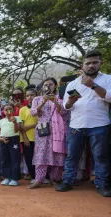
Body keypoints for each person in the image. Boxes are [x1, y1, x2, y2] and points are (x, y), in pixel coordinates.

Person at [56, 50, 111, 196]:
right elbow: (66, 108)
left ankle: (102, 184)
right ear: (83, 65)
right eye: (88, 63)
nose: (91, 66)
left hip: (100, 124)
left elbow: (110, 98)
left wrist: (93, 85)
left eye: (95, 62)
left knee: (100, 156)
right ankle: (67, 181)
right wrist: (69, 102)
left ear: (101, 63)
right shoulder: (73, 83)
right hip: (76, 125)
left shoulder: (108, 79)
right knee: (72, 155)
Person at [29, 77, 67, 189]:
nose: (48, 86)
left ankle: (55, 179)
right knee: (41, 154)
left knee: (57, 153)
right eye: (46, 84)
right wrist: (44, 101)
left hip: (57, 130)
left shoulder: (60, 98)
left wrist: (55, 102)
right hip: (43, 130)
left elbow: (64, 113)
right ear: (42, 86)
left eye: (51, 84)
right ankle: (39, 180)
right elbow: (33, 113)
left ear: (55, 86)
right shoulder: (37, 99)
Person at [0, 104, 22, 186]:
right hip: (4, 140)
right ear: (3, 112)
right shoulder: (2, 121)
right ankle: (7, 177)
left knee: (15, 159)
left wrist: (14, 122)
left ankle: (14, 178)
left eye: (10, 109)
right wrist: (0, 139)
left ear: (13, 110)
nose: (8, 111)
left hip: (14, 139)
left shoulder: (17, 118)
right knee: (4, 159)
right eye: (6, 109)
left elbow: (16, 130)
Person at [19, 89, 38, 183]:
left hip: (40, 137)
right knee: (29, 158)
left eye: (32, 95)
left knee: (39, 159)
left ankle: (43, 177)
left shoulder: (40, 108)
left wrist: (31, 126)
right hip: (27, 138)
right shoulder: (22, 110)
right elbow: (21, 125)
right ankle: (33, 177)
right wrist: (25, 138)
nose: (30, 97)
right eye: (27, 95)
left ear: (37, 96)